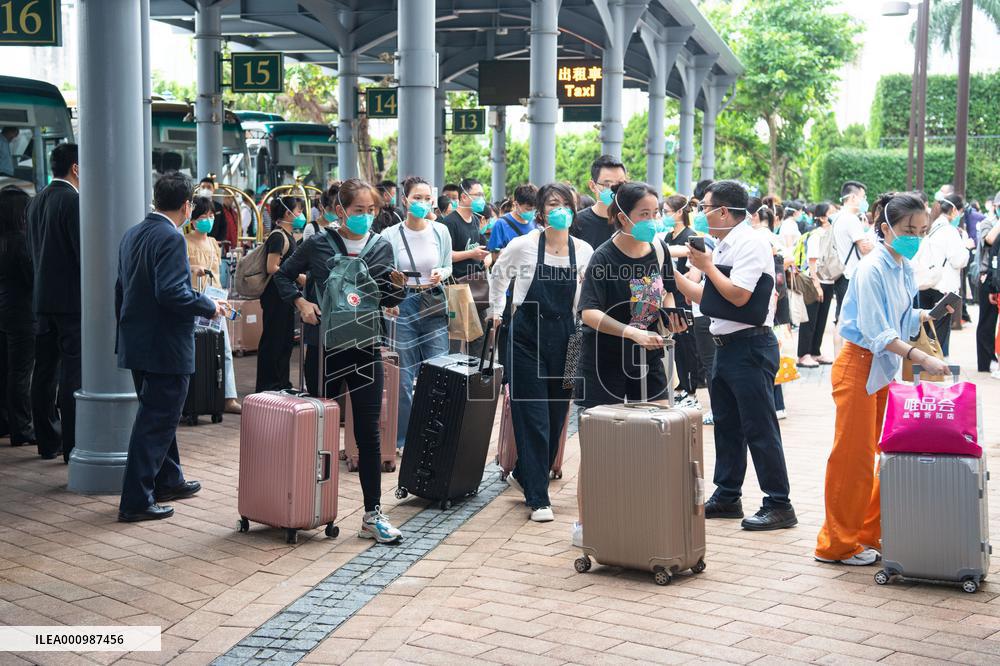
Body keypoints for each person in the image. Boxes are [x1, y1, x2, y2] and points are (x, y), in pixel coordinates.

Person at [814, 192, 951, 566]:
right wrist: (923, 358)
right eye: (909, 230)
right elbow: (878, 332)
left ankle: (865, 534)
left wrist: (922, 316)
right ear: (885, 227)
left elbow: (897, 319)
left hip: (882, 367)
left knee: (885, 455)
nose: (916, 237)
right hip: (860, 364)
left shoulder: (904, 266)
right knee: (852, 459)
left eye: (922, 230)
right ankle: (836, 544)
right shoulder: (871, 267)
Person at [273, 177, 407, 543]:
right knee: (320, 430)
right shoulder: (318, 244)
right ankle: (308, 506)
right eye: (359, 211)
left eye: (371, 211)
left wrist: (398, 289)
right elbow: (282, 277)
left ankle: (372, 515)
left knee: (368, 431)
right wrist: (301, 302)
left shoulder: (381, 247)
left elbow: (387, 296)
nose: (366, 217)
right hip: (323, 348)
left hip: (365, 348)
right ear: (339, 211)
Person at [675, 180, 797, 531]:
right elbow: (709, 297)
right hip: (726, 346)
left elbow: (740, 297)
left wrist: (707, 265)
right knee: (727, 426)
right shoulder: (724, 244)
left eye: (705, 208)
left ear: (724, 212)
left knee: (759, 427)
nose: (701, 214)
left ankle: (779, 502)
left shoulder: (751, 242)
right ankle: (727, 494)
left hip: (750, 346)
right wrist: (671, 276)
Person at [572, 181, 688, 545]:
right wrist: (630, 333)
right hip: (604, 363)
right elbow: (588, 312)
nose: (653, 221)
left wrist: (670, 314)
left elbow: (666, 288)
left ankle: (641, 516)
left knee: (652, 439)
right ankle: (587, 523)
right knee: (600, 448)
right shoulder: (604, 258)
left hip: (649, 359)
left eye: (656, 213)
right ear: (622, 217)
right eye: (644, 215)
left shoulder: (659, 248)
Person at [115, 173, 225, 522]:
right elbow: (172, 292)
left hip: (137, 340)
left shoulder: (133, 233)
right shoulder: (171, 238)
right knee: (156, 421)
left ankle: (169, 479)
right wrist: (209, 306)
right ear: (187, 206)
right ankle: (136, 500)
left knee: (158, 415)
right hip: (165, 345)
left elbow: (121, 289)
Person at [489, 182, 593, 523]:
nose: (559, 209)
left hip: (570, 339)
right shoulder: (522, 246)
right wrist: (496, 312)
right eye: (552, 204)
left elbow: (587, 297)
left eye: (566, 204)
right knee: (532, 417)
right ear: (540, 211)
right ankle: (538, 497)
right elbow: (498, 275)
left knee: (556, 417)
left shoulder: (584, 250)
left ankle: (525, 473)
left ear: (574, 210)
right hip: (525, 337)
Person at [380, 176, 452, 451]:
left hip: (432, 301)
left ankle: (434, 434)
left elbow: (447, 266)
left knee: (439, 371)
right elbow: (382, 271)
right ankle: (403, 438)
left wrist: (440, 274)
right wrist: (393, 280)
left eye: (426, 198)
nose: (422, 203)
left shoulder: (439, 232)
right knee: (403, 376)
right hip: (402, 304)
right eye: (417, 198)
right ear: (404, 200)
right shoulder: (390, 235)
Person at [25, 142, 81, 462]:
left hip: (41, 299)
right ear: (75, 168)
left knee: (44, 372)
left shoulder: (36, 202)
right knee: (72, 373)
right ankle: (72, 446)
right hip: (71, 302)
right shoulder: (73, 201)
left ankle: (47, 441)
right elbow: (80, 254)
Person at [186, 196, 242, 414]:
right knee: (197, 350)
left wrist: (223, 300)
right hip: (195, 302)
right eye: (203, 216)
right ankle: (197, 396)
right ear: (192, 219)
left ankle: (228, 396)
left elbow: (218, 276)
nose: (208, 220)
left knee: (224, 348)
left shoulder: (213, 243)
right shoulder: (184, 241)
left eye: (210, 215)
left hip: (216, 300)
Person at [255, 195, 303, 392]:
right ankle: (269, 384)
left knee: (285, 340)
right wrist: (298, 277)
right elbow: (271, 266)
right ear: (287, 213)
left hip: (285, 294)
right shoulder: (278, 236)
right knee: (273, 340)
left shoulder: (289, 235)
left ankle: (282, 383)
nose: (300, 214)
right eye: (298, 210)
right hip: (274, 294)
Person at [913, 194, 969, 357]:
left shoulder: (932, 227)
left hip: (926, 284)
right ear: (953, 210)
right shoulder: (949, 231)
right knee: (939, 330)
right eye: (960, 211)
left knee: (925, 328)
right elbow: (958, 260)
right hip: (943, 286)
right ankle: (936, 365)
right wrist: (966, 248)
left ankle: (923, 364)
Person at [0, 186, 35, 448]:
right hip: (22, 312)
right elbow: (31, 281)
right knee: (21, 372)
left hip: (5, 311)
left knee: (6, 370)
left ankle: (6, 422)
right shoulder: (21, 243)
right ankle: (22, 428)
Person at [441, 177, 490, 356]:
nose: (481, 199)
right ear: (463, 197)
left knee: (478, 336)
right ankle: (452, 378)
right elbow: (445, 256)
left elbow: (484, 249)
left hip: (477, 286)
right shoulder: (449, 223)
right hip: (457, 287)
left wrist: (486, 259)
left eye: (482, 195)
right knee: (455, 338)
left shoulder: (476, 221)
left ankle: (475, 378)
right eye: (477, 195)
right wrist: (471, 254)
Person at [661, 194, 701, 407]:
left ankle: (691, 388)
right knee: (675, 342)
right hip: (669, 296)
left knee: (688, 344)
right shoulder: (668, 237)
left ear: (679, 213)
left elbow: (693, 273)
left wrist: (678, 283)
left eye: (666, 212)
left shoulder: (690, 236)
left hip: (683, 296)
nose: (663, 216)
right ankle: (680, 385)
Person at [797, 202, 836, 366]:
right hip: (814, 281)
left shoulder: (832, 233)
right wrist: (817, 285)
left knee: (821, 319)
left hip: (828, 280)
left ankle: (815, 352)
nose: (835, 215)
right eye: (831, 213)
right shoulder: (816, 235)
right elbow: (812, 261)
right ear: (821, 217)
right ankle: (803, 354)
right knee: (809, 319)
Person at [832, 181, 874, 324]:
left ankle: (839, 348)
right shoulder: (851, 219)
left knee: (841, 319)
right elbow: (865, 248)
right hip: (850, 275)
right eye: (863, 197)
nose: (864, 201)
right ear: (853, 198)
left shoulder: (838, 217)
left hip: (841, 273)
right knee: (851, 321)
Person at [569, 155, 627, 250]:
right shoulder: (576, 223)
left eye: (620, 184)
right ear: (592, 186)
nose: (614, 190)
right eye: (607, 185)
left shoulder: (630, 221)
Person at [976, 203, 1000, 373]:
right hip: (988, 277)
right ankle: (986, 362)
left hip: (995, 277)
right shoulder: (988, 222)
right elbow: (990, 240)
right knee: (987, 322)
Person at [488, 184, 539, 258]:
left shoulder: (535, 223)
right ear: (516, 204)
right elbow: (493, 256)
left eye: (534, 209)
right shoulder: (501, 224)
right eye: (528, 209)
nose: (531, 212)